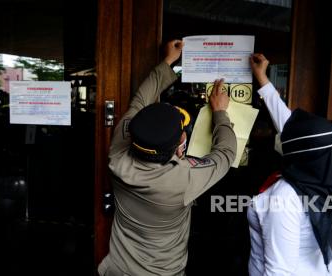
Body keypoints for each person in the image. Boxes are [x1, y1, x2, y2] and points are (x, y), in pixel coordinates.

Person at [98, 40, 237, 276]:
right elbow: (225, 154)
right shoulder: (182, 180)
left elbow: (139, 101)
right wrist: (220, 112)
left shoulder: (118, 154)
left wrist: (168, 62)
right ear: (181, 143)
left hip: (118, 269)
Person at [247, 53, 332, 275]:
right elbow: (294, 132)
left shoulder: (285, 197)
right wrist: (262, 79)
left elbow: (279, 272)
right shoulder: (326, 178)